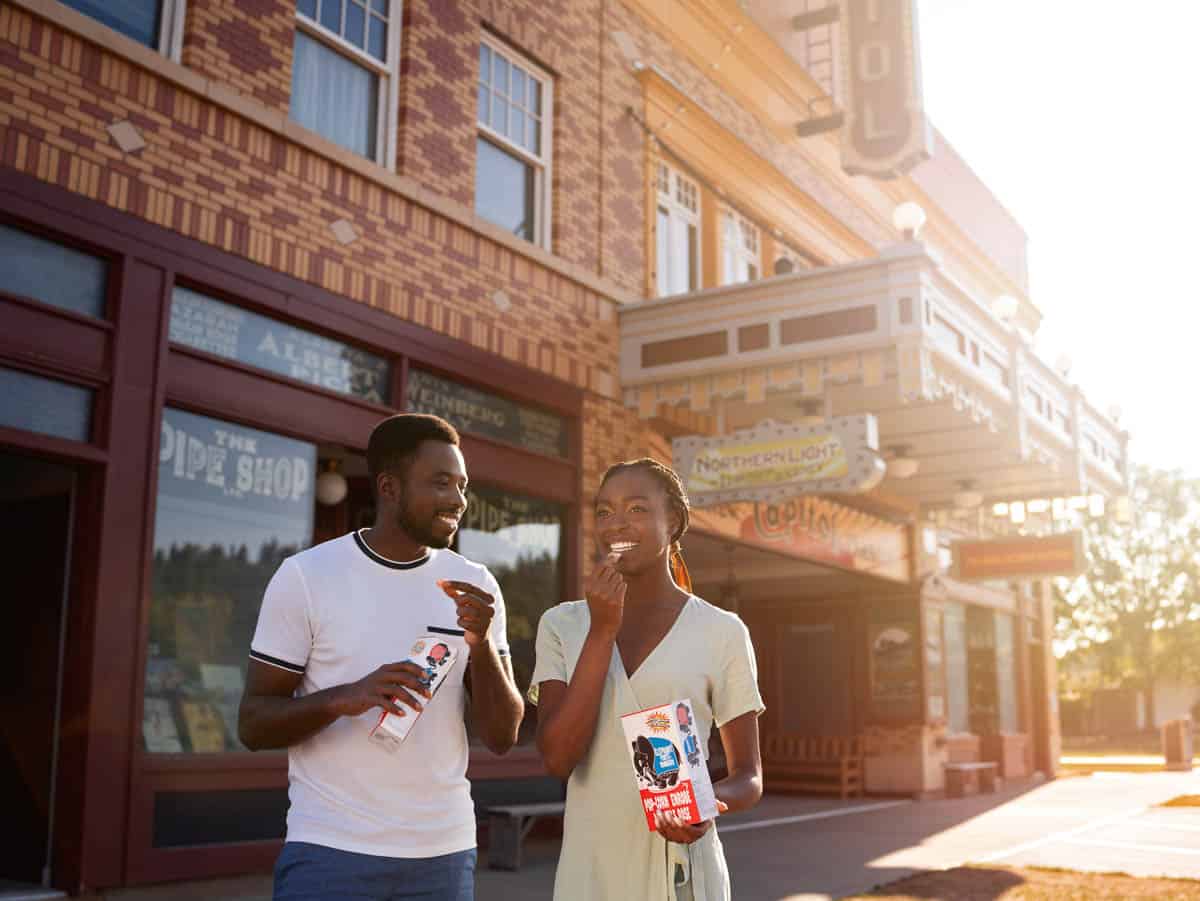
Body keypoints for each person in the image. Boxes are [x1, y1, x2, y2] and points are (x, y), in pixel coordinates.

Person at [238, 413, 525, 901]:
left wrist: (479, 644)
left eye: (462, 485)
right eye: (440, 483)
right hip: (330, 852)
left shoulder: (474, 583)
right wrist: (344, 698)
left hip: (443, 853)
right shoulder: (307, 576)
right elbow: (253, 724)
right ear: (390, 488)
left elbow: (503, 735)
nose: (458, 500)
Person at [531, 458, 764, 900]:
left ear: (672, 520)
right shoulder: (562, 624)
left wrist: (706, 806)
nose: (616, 524)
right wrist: (602, 631)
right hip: (592, 870)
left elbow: (748, 775)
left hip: (682, 875)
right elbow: (558, 759)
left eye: (637, 509)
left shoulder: (722, 631)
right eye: (604, 512)